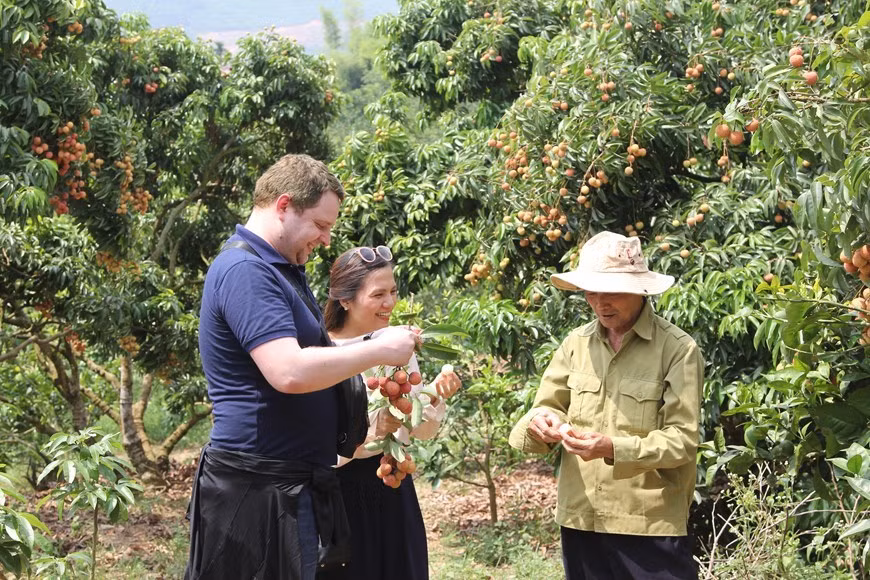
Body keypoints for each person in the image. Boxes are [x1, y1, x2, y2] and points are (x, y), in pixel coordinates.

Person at [185, 154, 420, 580]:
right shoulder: (245, 271)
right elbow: (289, 371)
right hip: (256, 490)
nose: (326, 240)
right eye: (320, 225)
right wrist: (379, 351)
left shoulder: (283, 269)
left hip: (290, 484)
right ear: (284, 206)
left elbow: (316, 354)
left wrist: (374, 349)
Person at [508, 231, 704, 580]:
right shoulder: (576, 344)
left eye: (611, 291)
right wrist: (544, 422)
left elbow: (682, 440)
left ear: (640, 290)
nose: (600, 303)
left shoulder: (677, 350)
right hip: (581, 516)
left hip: (648, 521)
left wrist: (611, 447)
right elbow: (547, 406)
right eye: (591, 292)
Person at [318, 245, 461, 580]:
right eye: (378, 294)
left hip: (391, 487)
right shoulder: (319, 353)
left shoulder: (395, 344)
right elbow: (319, 449)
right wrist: (372, 431)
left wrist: (435, 397)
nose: (390, 303)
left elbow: (419, 430)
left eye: (393, 291)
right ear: (345, 300)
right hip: (340, 497)